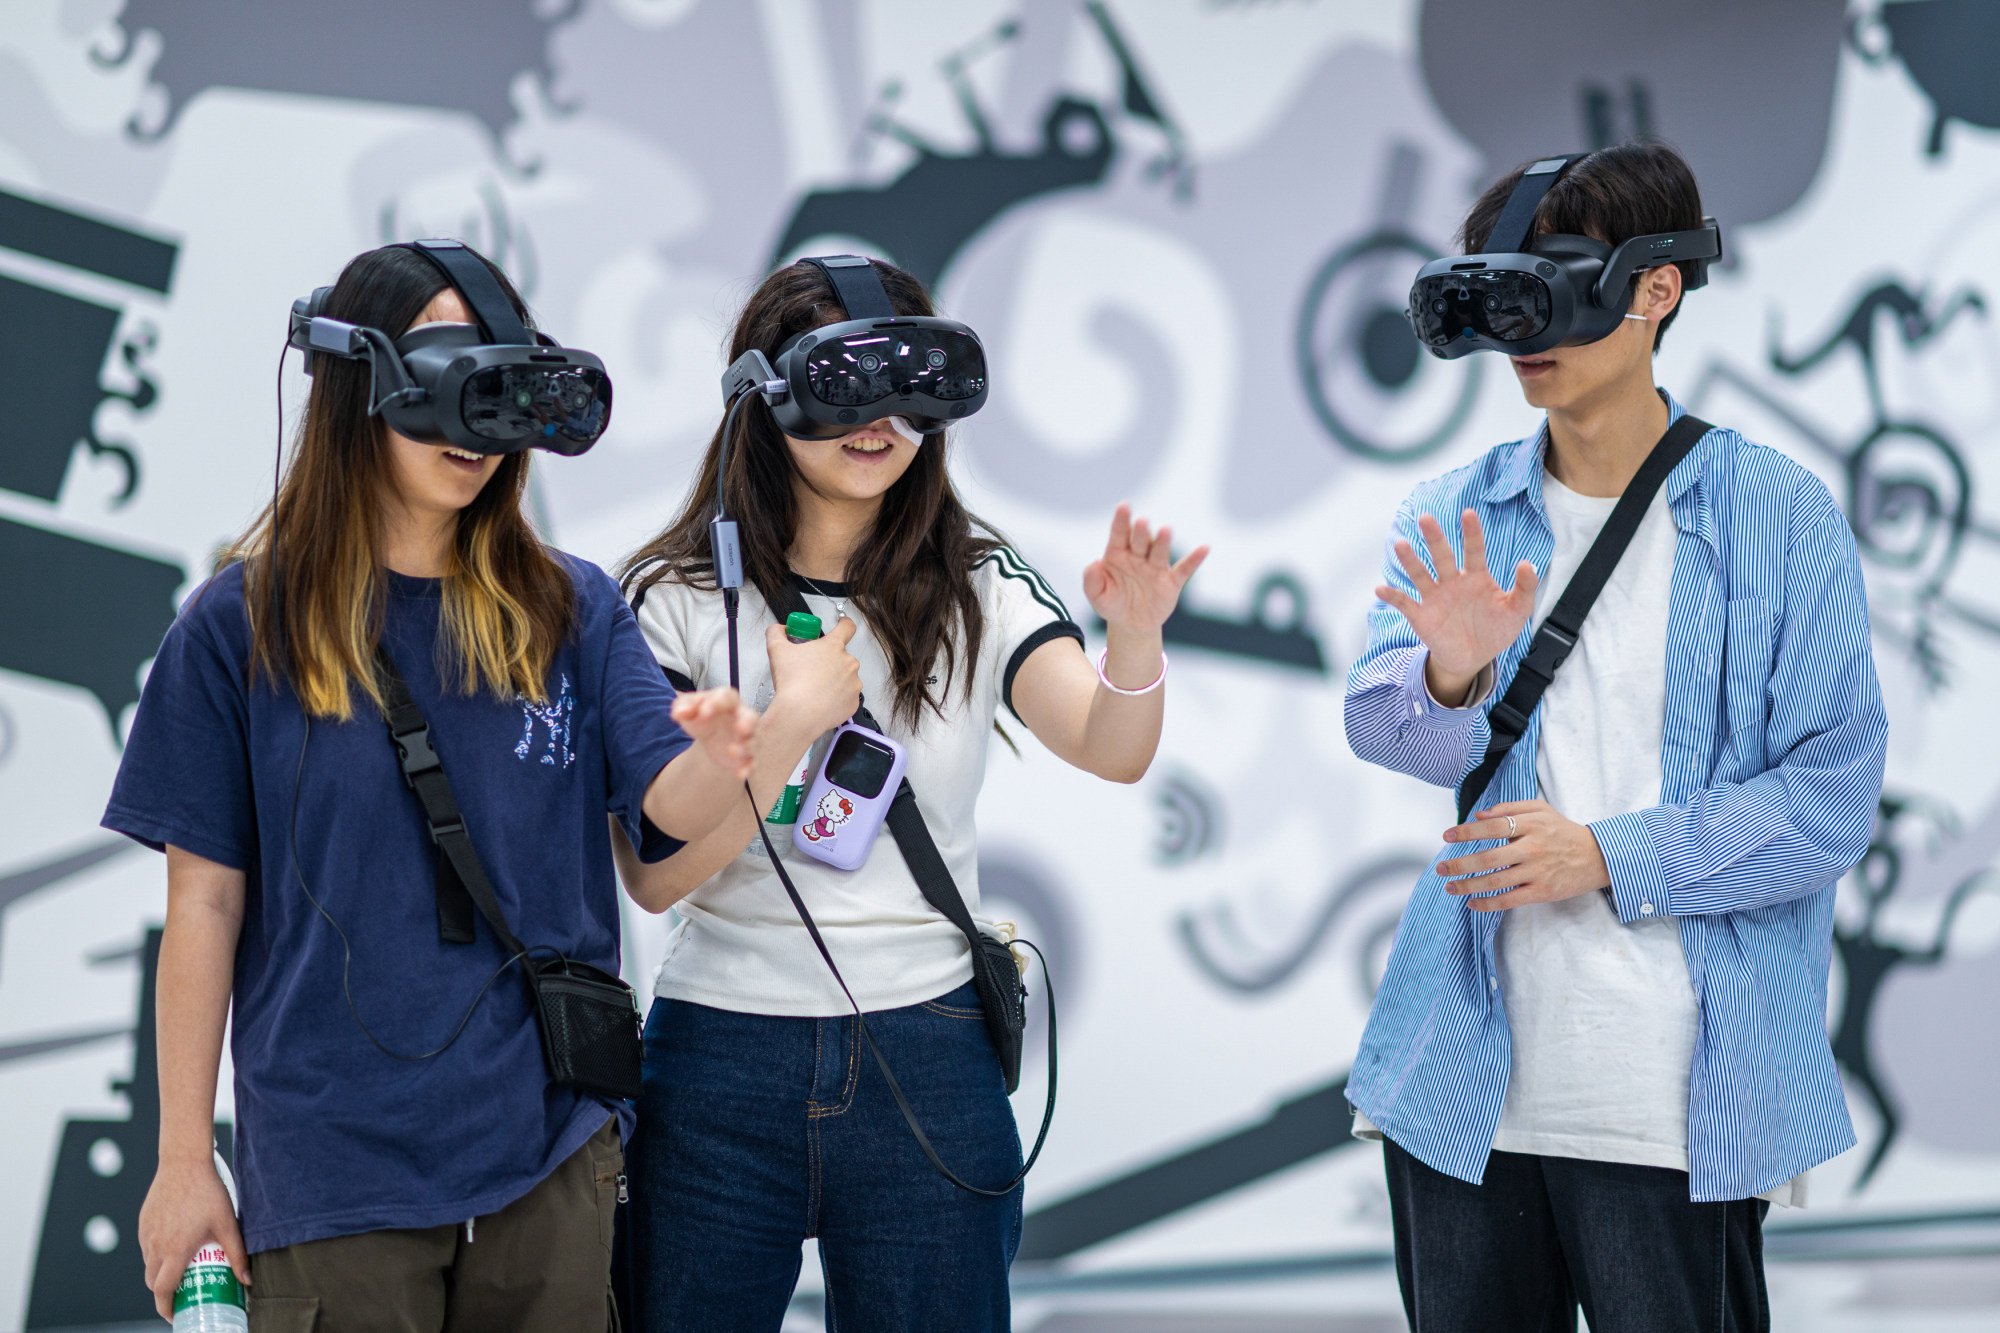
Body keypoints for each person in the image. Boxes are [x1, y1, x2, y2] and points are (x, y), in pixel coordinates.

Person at [104, 242, 758, 1329]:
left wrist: (741, 752)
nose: (474, 429)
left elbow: (668, 817)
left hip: (548, 1156)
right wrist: (181, 1162)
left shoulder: (573, 609)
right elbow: (204, 905)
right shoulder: (238, 627)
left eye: (498, 385)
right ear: (355, 380)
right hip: (332, 1172)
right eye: (447, 374)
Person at [1343, 141, 1888, 1332]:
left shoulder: (1775, 514)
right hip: (1459, 1080)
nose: (1521, 337)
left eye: (1549, 290)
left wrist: (1603, 853)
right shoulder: (1454, 509)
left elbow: (1828, 797)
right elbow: (1388, 732)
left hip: (1671, 1092)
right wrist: (1448, 673)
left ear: (1655, 287)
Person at [614, 256, 1207, 1331]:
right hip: (717, 1057)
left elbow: (1109, 743)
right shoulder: (672, 597)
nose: (882, 417)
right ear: (759, 393)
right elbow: (653, 876)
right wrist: (788, 724)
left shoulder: (978, 581)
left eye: (913, 383)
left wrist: (1134, 637)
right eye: (846, 382)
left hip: (926, 1047)